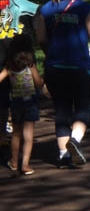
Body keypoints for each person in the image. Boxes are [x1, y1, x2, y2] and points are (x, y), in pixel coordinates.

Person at [35, 0, 90, 168]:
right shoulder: (82, 7)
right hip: (80, 65)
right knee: (84, 108)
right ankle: (75, 140)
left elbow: (41, 38)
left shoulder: (45, 9)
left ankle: (63, 155)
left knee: (61, 110)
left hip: (55, 66)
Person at [0, 0, 40, 145]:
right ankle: (23, 137)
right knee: (25, 100)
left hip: (0, 57)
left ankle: (2, 134)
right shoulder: (32, 7)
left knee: (1, 100)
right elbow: (40, 34)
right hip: (22, 60)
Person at [0, 34, 44, 175]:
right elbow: (38, 83)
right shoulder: (30, 65)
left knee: (16, 133)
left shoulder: (9, 67)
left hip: (16, 102)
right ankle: (25, 164)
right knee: (28, 135)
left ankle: (13, 161)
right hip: (30, 102)